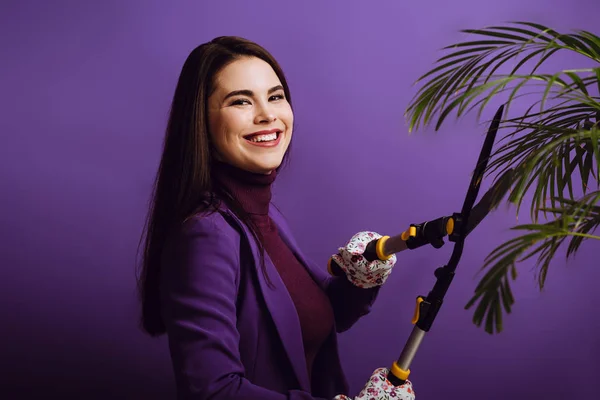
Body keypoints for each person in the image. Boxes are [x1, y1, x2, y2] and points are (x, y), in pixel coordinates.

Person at [137, 35, 416, 400]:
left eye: (275, 96)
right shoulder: (206, 235)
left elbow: (311, 318)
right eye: (240, 101)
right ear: (200, 121)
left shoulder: (263, 218)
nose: (268, 114)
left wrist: (364, 271)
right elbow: (213, 392)